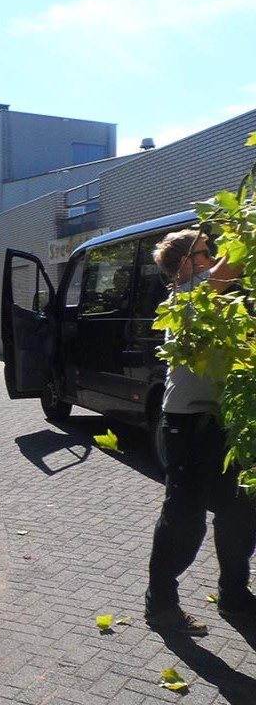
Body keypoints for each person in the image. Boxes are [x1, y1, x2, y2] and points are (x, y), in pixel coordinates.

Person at [145, 228, 256, 636]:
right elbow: (234, 265)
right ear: (186, 263)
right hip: (187, 425)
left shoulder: (226, 301)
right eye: (209, 251)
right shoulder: (187, 297)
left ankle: (234, 595)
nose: (215, 256)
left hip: (228, 422)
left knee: (240, 512)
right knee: (184, 518)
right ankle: (161, 604)